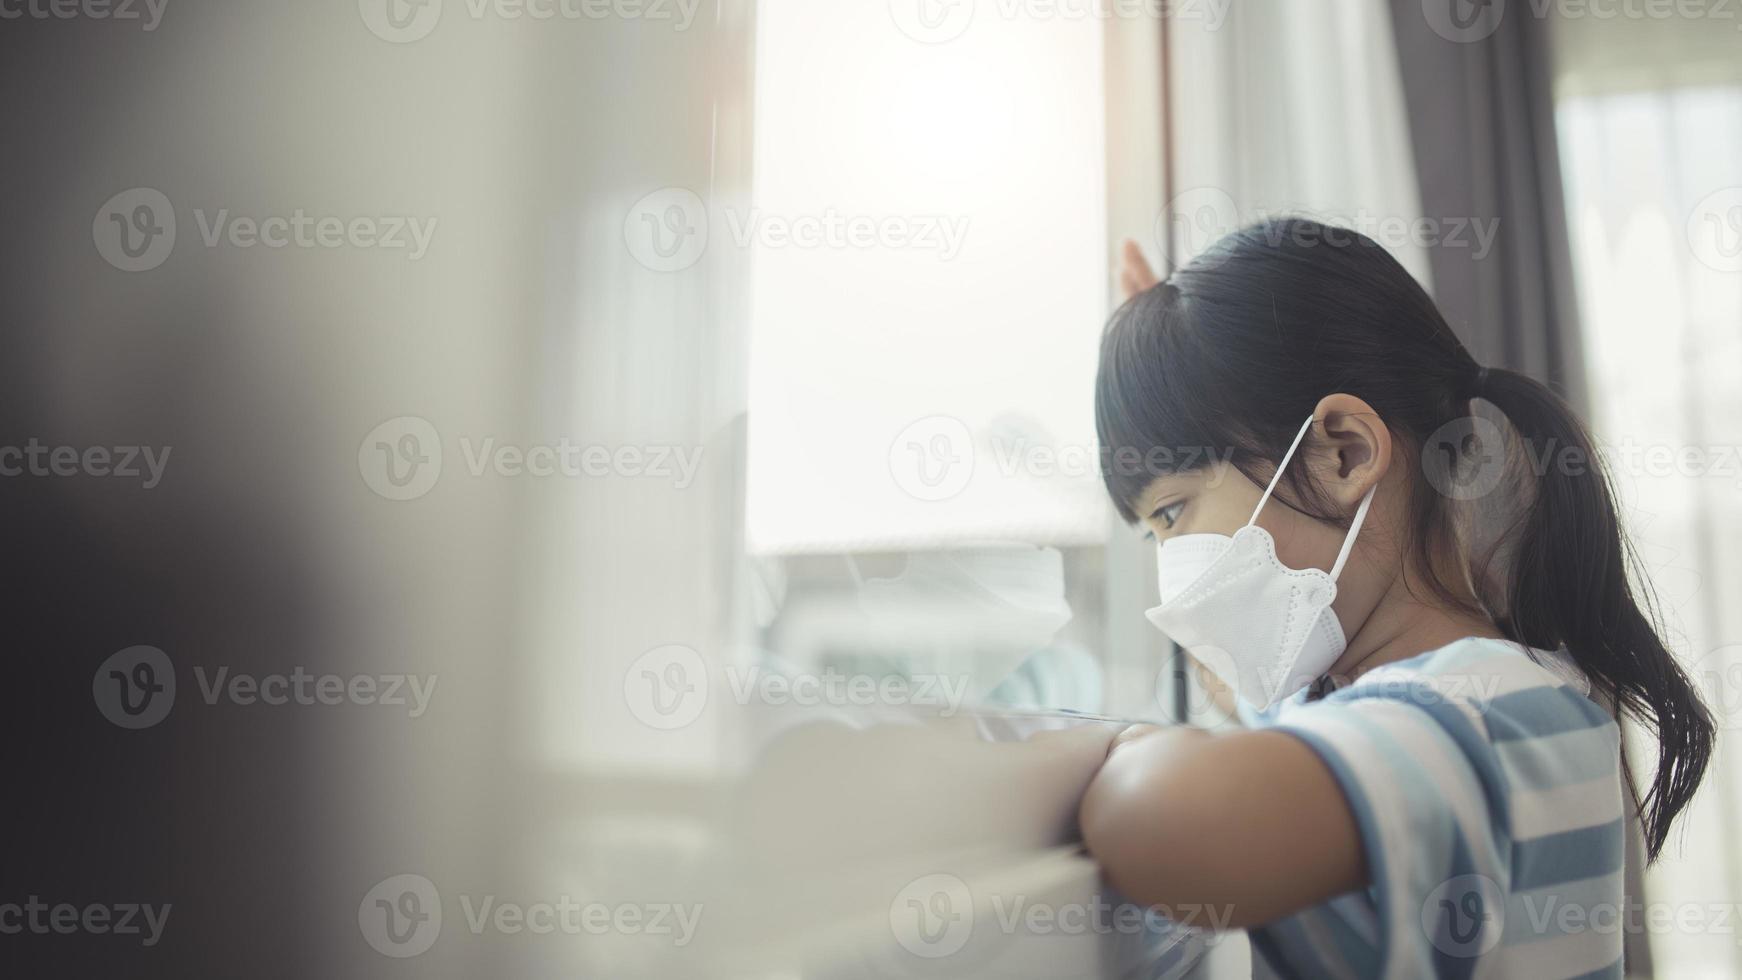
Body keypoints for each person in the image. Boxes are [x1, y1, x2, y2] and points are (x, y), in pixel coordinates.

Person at [1080, 219, 1713, 979]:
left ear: (1342, 452)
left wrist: (1113, 746)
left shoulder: (1493, 711)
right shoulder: (1399, 702)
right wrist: (1162, 361)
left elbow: (1167, 830)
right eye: (1155, 536)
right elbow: (1253, 708)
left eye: (1174, 513)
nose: (1171, 572)